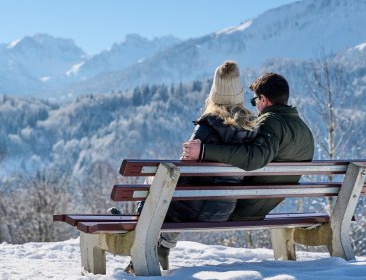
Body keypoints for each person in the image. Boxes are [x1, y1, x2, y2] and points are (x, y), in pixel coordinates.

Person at [122, 61, 259, 273]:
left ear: (215, 92)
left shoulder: (209, 125)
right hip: (226, 208)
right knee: (169, 195)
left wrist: (158, 183)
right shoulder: (250, 127)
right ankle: (162, 247)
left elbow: (183, 170)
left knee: (159, 189)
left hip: (200, 207)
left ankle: (137, 244)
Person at [181, 72, 315, 221]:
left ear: (263, 99)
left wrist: (204, 151)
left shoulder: (271, 122)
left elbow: (254, 157)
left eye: (254, 101)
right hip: (260, 208)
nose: (255, 106)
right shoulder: (305, 131)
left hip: (239, 208)